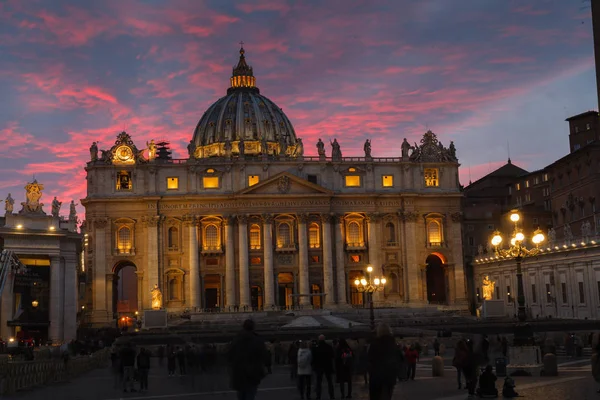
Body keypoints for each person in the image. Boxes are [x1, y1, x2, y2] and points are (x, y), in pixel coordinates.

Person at [228, 319, 269, 400]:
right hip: (253, 373)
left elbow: (229, 355)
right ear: (253, 328)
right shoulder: (257, 340)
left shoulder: (236, 339)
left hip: (239, 373)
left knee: (241, 396)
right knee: (250, 395)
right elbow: (264, 355)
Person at [368, 323, 398, 400]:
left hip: (377, 377)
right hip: (390, 376)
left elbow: (370, 359)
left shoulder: (374, 344)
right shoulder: (393, 344)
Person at [312, 334, 335, 400]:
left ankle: (318, 396)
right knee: (330, 382)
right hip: (328, 366)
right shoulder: (329, 347)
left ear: (319, 339)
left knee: (318, 382)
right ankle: (332, 396)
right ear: (324, 339)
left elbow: (313, 358)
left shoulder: (316, 348)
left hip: (318, 367)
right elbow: (332, 357)